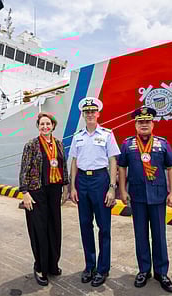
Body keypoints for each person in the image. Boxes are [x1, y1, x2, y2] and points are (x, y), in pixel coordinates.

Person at [117, 106, 172, 293]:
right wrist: (122, 191)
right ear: (135, 125)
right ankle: (144, 270)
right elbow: (121, 168)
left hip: (158, 196)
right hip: (137, 196)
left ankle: (161, 272)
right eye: (140, 122)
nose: (144, 125)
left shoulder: (162, 144)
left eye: (147, 122)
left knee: (159, 235)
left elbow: (171, 168)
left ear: (153, 124)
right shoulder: (127, 145)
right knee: (141, 235)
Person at [69, 97, 121, 287]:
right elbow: (74, 162)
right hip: (82, 181)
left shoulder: (107, 134)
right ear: (83, 115)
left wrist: (112, 188)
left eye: (93, 111)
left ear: (98, 113)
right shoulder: (78, 136)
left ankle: (103, 269)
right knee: (85, 226)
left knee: (104, 227)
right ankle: (89, 266)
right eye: (86, 112)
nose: (90, 114)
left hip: (100, 180)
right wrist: (72, 186)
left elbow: (113, 161)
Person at [19, 112, 69, 286]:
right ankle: (40, 267)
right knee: (39, 230)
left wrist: (66, 187)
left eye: (48, 124)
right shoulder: (31, 145)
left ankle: (53, 265)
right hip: (36, 192)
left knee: (55, 228)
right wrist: (25, 192)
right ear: (38, 126)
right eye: (42, 124)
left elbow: (63, 166)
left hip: (54, 191)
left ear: (53, 126)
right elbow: (24, 169)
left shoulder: (59, 144)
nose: (45, 127)